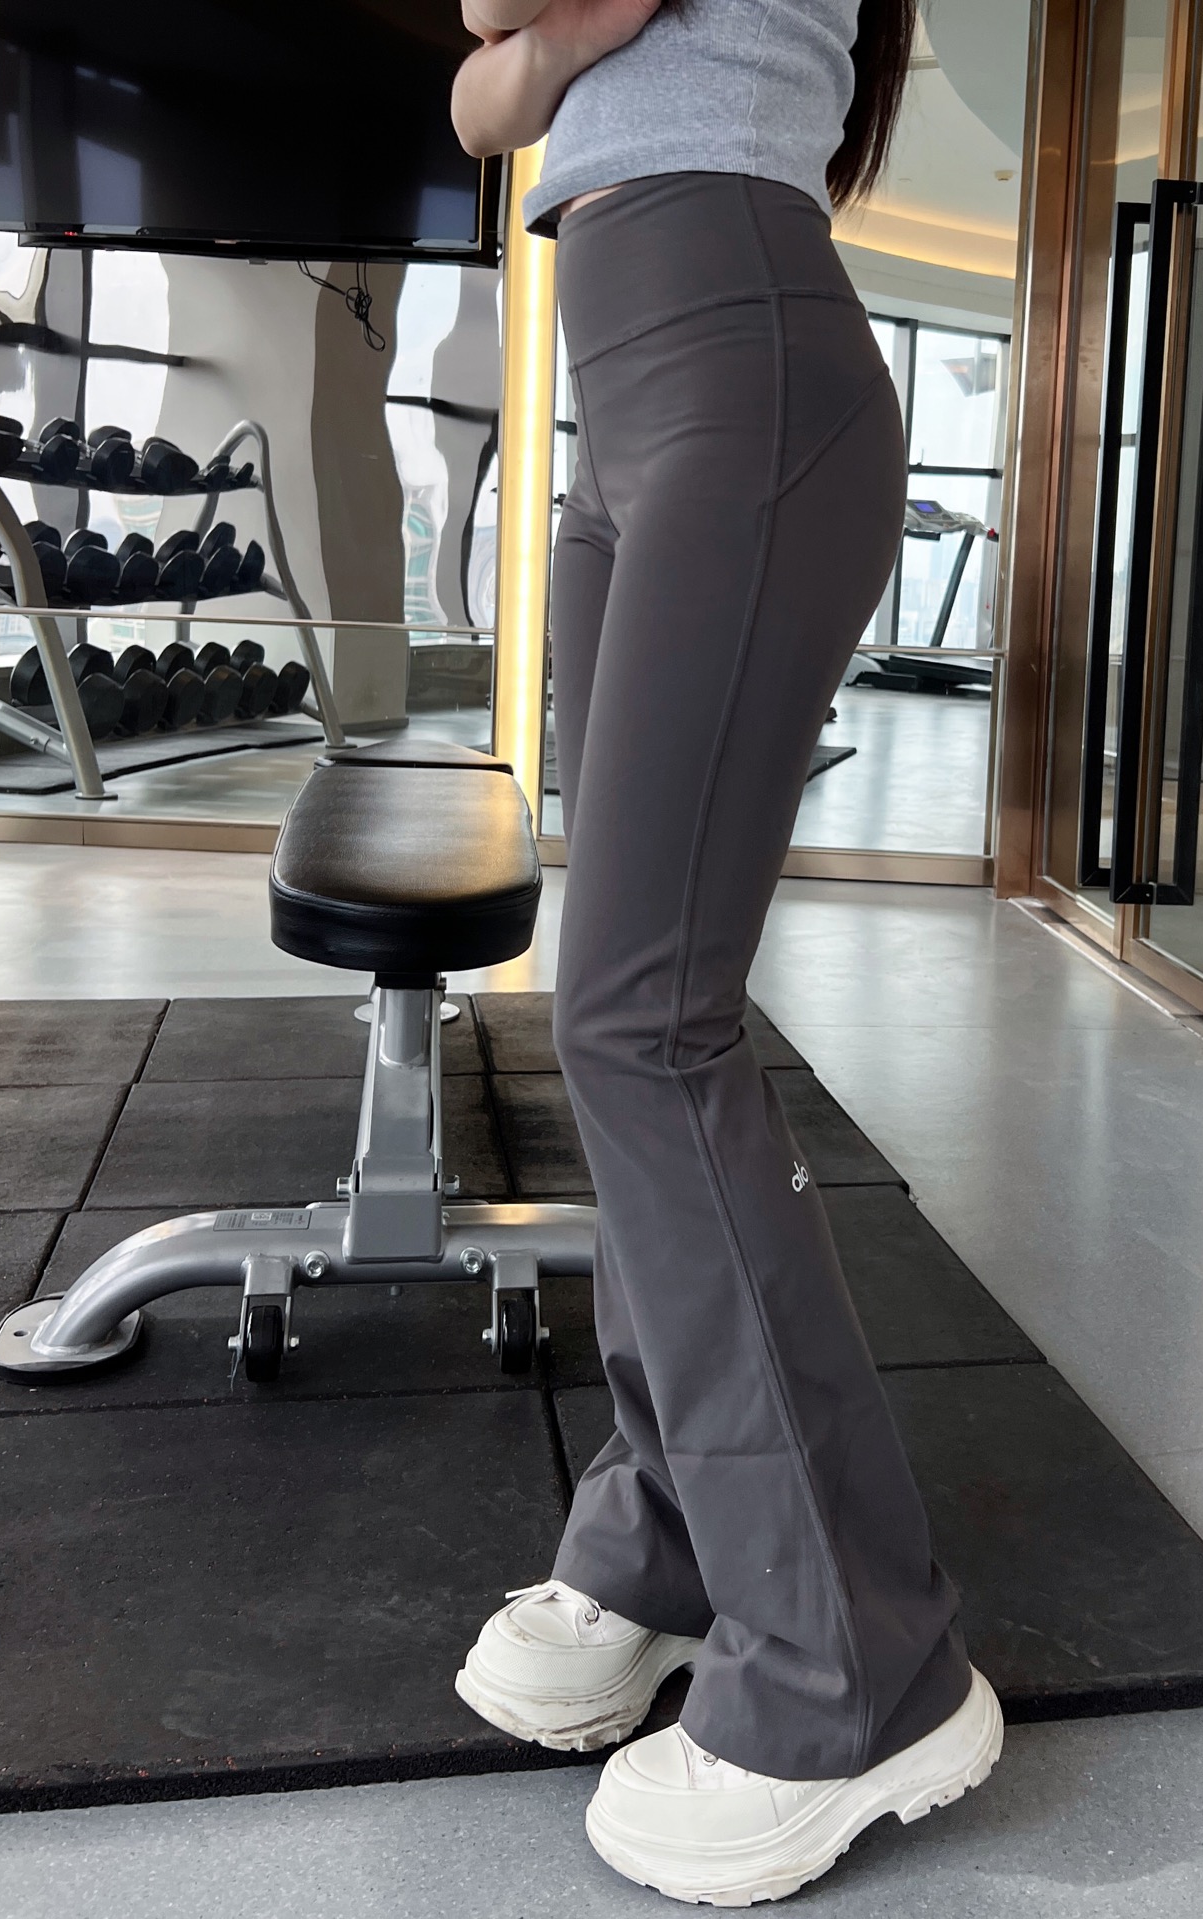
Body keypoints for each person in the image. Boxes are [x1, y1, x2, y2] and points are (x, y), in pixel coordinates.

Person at [449, 0, 1002, 1901]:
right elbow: (481, 89)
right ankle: (668, 1533)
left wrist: (532, 50)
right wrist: (538, 52)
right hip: (624, 385)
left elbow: (505, 37)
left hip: (739, 354)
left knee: (643, 1019)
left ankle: (862, 1663)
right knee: (619, 1014)